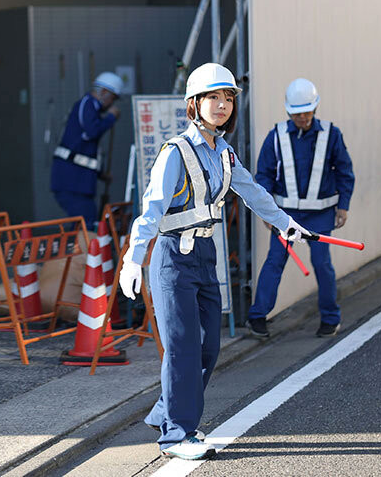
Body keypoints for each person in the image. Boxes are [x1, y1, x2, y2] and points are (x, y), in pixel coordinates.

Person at [118, 63, 307, 461]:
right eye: (214, 97)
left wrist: (285, 223)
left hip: (206, 256)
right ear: (194, 103)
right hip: (173, 256)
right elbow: (151, 209)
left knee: (209, 348)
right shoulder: (175, 152)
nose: (222, 105)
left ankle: (167, 413)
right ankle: (176, 436)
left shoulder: (224, 152)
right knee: (182, 347)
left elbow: (252, 192)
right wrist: (133, 260)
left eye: (228, 99)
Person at [247, 78, 355, 339]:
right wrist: (267, 212)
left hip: (320, 215)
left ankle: (330, 318)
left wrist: (343, 206)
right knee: (275, 261)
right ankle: (257, 317)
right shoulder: (276, 136)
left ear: (315, 108)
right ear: (288, 111)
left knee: (321, 263)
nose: (303, 117)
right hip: (285, 216)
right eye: (297, 113)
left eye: (307, 112)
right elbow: (264, 176)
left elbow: (344, 170)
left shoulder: (331, 134)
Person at [51, 72, 123, 228]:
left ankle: (81, 244)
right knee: (86, 222)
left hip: (80, 182)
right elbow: (92, 132)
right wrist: (110, 118)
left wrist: (101, 174)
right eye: (113, 98)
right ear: (104, 92)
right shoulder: (87, 104)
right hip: (71, 181)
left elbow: (85, 151)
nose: (112, 103)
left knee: (85, 222)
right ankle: (82, 244)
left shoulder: (92, 109)